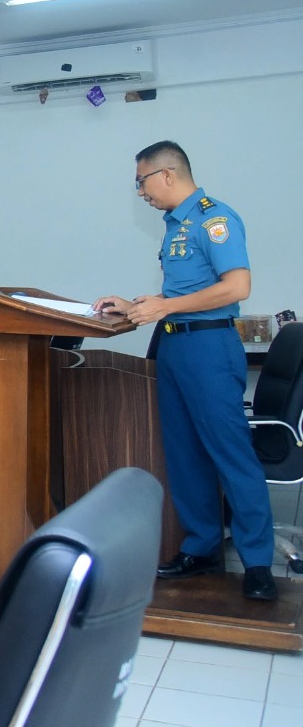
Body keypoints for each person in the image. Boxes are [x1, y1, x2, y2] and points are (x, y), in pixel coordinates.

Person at [92, 140, 275, 601]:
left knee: (231, 454)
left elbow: (237, 286)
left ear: (167, 174)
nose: (140, 193)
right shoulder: (176, 224)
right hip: (175, 345)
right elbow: (182, 292)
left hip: (209, 347)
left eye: (142, 182)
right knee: (184, 454)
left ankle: (257, 563)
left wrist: (167, 306)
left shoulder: (214, 219)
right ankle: (201, 547)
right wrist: (136, 305)